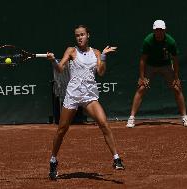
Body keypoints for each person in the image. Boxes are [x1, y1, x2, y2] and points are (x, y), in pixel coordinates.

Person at [46, 25, 124, 181]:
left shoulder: (95, 53)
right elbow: (60, 68)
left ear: (88, 35)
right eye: (77, 35)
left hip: (89, 95)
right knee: (62, 130)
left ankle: (116, 159)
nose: (80, 37)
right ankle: (53, 160)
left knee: (104, 123)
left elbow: (101, 72)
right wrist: (53, 60)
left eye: (82, 35)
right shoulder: (71, 51)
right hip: (73, 95)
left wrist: (103, 56)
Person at [126, 20, 187, 128]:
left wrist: (176, 76)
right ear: (154, 31)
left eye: (161, 30)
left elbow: (175, 60)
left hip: (166, 65)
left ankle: (184, 117)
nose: (159, 32)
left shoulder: (170, 41)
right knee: (141, 88)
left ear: (165, 30)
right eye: (157, 30)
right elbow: (143, 60)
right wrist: (142, 77)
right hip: (150, 66)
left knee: (176, 88)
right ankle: (131, 118)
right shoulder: (148, 40)